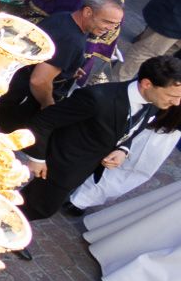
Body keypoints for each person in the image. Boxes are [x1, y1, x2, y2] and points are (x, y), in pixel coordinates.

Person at [19, 55, 181, 222]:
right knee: (39, 208)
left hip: (80, 168)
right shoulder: (97, 99)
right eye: (172, 95)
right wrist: (37, 158)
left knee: (33, 205)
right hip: (61, 163)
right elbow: (42, 122)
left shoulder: (155, 102)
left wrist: (123, 149)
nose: (177, 103)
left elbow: (131, 127)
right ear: (147, 84)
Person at [0, 0, 123, 133]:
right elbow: (39, 80)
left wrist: (68, 69)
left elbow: (50, 57)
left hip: (9, 87)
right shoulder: (72, 40)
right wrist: (48, 105)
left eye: (115, 24)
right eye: (107, 22)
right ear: (87, 12)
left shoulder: (63, 17)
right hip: (16, 102)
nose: (110, 29)